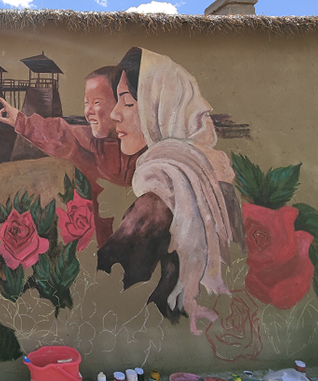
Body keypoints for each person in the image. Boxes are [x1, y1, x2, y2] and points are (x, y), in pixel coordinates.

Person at [97, 47, 244, 335]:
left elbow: (114, 281)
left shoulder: (162, 190)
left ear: (160, 108)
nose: (114, 113)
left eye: (128, 102)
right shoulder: (213, 173)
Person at [0, 67, 146, 247]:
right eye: (86, 103)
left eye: (96, 102)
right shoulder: (89, 142)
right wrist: (21, 121)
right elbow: (58, 133)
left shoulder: (145, 148)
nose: (88, 110)